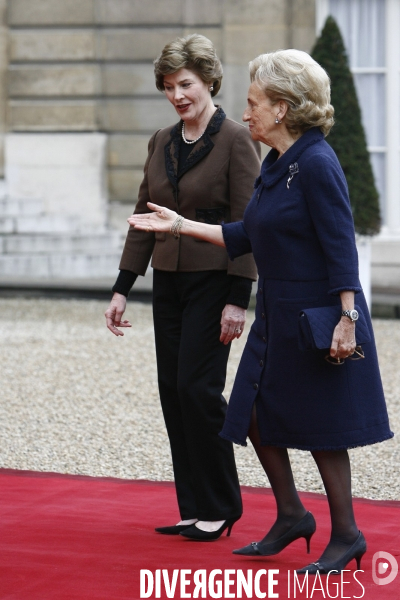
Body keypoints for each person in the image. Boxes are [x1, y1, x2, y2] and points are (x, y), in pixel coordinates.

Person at [128, 49, 393, 572]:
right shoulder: (278, 162)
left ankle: (347, 534)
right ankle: (293, 514)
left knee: (322, 427)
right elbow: (245, 233)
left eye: (254, 104)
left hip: (317, 312)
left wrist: (348, 318)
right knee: (248, 412)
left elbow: (341, 244)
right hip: (277, 310)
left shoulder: (317, 162)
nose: (245, 113)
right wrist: (179, 225)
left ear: (283, 108)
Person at [105, 34, 260, 541]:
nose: (177, 95)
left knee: (199, 390)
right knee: (173, 391)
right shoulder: (161, 140)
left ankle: (222, 505)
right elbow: (143, 215)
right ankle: (193, 507)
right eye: (169, 86)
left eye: (186, 84)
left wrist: (239, 299)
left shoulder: (237, 139)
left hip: (215, 282)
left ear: (209, 80)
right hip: (168, 286)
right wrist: (123, 287)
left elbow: (249, 225)